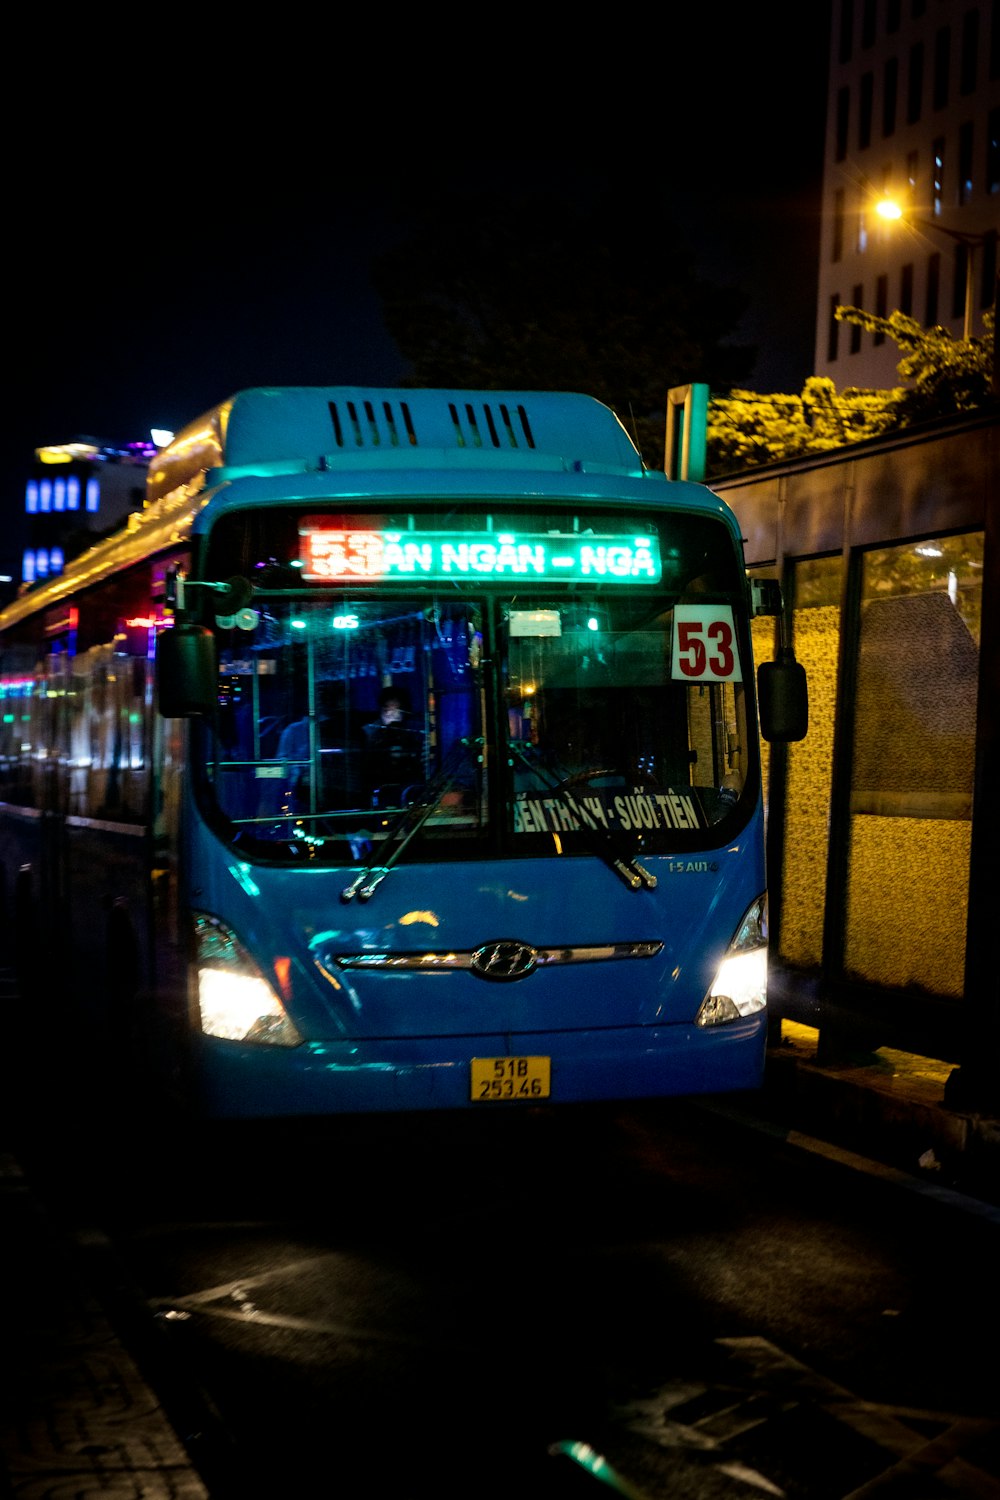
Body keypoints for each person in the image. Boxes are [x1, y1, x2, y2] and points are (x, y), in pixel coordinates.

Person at [363, 688, 423, 806]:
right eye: (387, 709)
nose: (391, 714)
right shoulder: (370, 733)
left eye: (396, 709)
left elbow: (419, 768)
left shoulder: (414, 734)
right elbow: (368, 769)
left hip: (407, 793)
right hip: (379, 793)